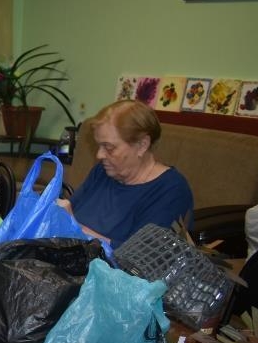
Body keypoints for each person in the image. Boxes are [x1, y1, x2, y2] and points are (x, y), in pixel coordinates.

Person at [58, 99, 194, 248]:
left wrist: (74, 228)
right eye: (99, 146)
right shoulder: (103, 172)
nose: (99, 155)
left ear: (142, 145)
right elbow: (69, 212)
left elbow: (140, 258)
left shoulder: (170, 190)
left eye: (109, 147)